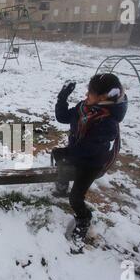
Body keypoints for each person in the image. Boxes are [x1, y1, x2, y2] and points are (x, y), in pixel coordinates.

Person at [53, 74, 128, 243]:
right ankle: (62, 185)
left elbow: (88, 149)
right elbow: (63, 117)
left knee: (76, 198)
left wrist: (68, 153)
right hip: (78, 153)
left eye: (90, 92)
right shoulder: (84, 108)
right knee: (59, 155)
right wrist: (62, 97)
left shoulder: (107, 122)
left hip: (92, 164)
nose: (86, 95)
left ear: (103, 97)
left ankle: (84, 219)